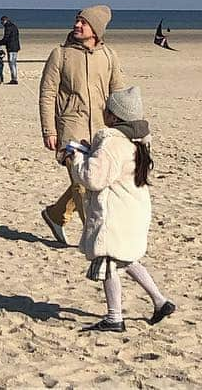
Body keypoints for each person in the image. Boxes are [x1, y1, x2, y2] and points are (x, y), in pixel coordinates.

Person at [64, 86, 175, 332]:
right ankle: (161, 301)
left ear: (115, 117)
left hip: (116, 212)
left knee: (110, 261)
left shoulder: (113, 142)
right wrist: (89, 152)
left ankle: (114, 318)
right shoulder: (136, 140)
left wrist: (76, 158)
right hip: (134, 208)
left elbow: (93, 178)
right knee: (128, 258)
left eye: (108, 110)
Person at [39, 5, 126, 246]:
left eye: (83, 22)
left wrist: (121, 129)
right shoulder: (60, 54)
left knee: (95, 180)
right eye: (77, 21)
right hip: (70, 128)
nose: (77, 25)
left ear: (96, 29)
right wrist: (49, 130)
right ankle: (95, 236)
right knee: (81, 184)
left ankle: (56, 215)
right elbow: (47, 93)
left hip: (100, 129)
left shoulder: (109, 55)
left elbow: (118, 94)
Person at [0, 15, 21, 84]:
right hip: (15, 47)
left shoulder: (8, 27)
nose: (2, 23)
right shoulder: (14, 26)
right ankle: (14, 78)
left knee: (12, 63)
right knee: (13, 63)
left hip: (11, 47)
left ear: (4, 21)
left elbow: (6, 38)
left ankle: (14, 79)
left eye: (2, 22)